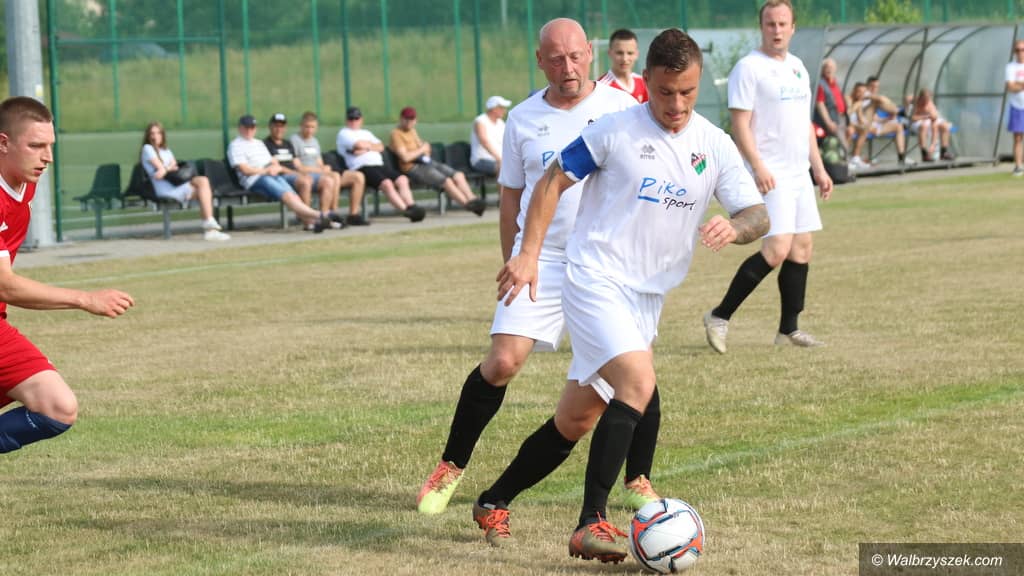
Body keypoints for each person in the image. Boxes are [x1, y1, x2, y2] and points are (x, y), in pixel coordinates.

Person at [474, 28, 768, 562]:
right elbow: (551, 181)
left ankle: (494, 499)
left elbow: (757, 214)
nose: (675, 104)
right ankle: (591, 522)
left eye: (687, 92)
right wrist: (528, 253)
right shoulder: (614, 130)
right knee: (638, 382)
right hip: (595, 279)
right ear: (646, 81)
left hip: (646, 298)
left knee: (576, 419)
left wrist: (736, 227)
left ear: (699, 83)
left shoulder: (713, 144)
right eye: (664, 92)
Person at [415, 18, 657, 520]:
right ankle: (450, 466)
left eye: (575, 56)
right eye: (557, 59)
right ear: (540, 61)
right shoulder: (523, 118)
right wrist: (516, 257)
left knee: (628, 373)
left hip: (604, 264)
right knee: (503, 362)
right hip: (540, 258)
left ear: (589, 54)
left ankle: (638, 479)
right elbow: (511, 198)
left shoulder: (623, 109)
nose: (568, 68)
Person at [0, 96, 135, 454]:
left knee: (56, 408)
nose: (47, 157)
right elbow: (4, 285)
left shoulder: (26, 180)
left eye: (50, 146)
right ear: (3, 143)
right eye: (35, 146)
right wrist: (85, 299)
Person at [703, 0, 833, 355]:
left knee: (801, 248)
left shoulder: (798, 67)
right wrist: (758, 165)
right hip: (770, 174)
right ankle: (718, 316)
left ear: (793, 28)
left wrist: (819, 168)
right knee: (776, 249)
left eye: (782, 23)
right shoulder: (748, 68)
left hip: (798, 174)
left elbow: (804, 124)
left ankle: (788, 330)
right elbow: (740, 124)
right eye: (770, 24)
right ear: (761, 27)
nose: (777, 30)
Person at [227, 114, 342, 233]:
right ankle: (320, 216)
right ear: (240, 128)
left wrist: (275, 168)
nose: (249, 130)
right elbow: (245, 170)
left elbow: (272, 161)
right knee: (289, 195)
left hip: (272, 175)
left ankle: (319, 220)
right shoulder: (236, 145)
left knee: (294, 196)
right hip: (256, 179)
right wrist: (266, 171)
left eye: (252, 127)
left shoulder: (258, 143)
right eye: (246, 127)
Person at [140, 122, 230, 241]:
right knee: (204, 191)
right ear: (148, 135)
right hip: (165, 189)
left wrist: (166, 169)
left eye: (158, 133)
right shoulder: (147, 149)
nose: (155, 136)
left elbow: (172, 167)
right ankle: (210, 229)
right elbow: (161, 169)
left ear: (162, 135)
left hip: (176, 184)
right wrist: (167, 168)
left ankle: (209, 226)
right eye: (152, 133)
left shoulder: (166, 150)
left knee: (203, 182)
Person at [389, 107, 485, 216]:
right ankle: (467, 204)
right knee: (446, 181)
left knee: (458, 175)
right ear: (401, 119)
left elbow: (425, 148)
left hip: (426, 162)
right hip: (413, 167)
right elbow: (405, 157)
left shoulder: (412, 131)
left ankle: (472, 199)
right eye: (406, 119)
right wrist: (421, 150)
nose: (409, 122)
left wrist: (424, 150)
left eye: (412, 119)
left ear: (416, 120)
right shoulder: (396, 134)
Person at [336, 107, 426, 222]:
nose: (354, 121)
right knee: (387, 184)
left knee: (402, 179)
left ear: (361, 119)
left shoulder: (366, 133)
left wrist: (366, 148)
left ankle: (411, 205)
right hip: (362, 167)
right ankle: (406, 211)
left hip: (379, 165)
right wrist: (369, 146)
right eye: (351, 119)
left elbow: (381, 146)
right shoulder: (344, 133)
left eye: (356, 118)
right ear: (346, 120)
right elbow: (358, 145)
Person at [262, 113, 342, 231]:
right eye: (276, 126)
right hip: (281, 177)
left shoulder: (287, 144)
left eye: (281, 126)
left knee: (328, 181)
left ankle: (324, 218)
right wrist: (296, 173)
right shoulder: (265, 144)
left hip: (295, 175)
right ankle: (308, 221)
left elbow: (296, 162)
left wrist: (321, 169)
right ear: (270, 127)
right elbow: (277, 167)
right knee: (305, 181)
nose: (279, 129)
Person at [290, 111, 370, 226]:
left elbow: (319, 162)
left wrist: (324, 167)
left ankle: (331, 214)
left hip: (319, 174)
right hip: (307, 175)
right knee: (333, 177)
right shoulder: (294, 140)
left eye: (312, 127)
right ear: (301, 126)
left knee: (343, 176)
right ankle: (332, 213)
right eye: (307, 127)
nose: (310, 130)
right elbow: (298, 167)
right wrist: (320, 170)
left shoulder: (314, 141)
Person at [598, 28, 649, 104]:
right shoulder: (602, 87)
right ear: (609, 53)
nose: (625, 59)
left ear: (637, 54)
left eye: (630, 53)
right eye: (619, 53)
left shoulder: (644, 82)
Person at [908, 89, 954, 162]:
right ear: (920, 97)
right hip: (917, 123)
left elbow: (934, 122)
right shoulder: (915, 103)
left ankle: (943, 153)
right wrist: (925, 117)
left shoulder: (930, 104)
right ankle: (924, 154)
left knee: (945, 126)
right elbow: (912, 118)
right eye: (924, 99)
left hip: (930, 122)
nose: (926, 101)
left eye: (928, 99)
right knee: (924, 126)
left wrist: (933, 144)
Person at [813, 58, 848, 151]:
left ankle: (849, 157)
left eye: (831, 67)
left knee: (845, 139)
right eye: (826, 67)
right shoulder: (821, 84)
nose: (829, 69)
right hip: (832, 119)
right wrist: (828, 122)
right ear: (822, 69)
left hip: (841, 117)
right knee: (842, 143)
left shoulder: (835, 83)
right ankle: (848, 158)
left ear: (835, 69)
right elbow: (820, 104)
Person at [470, 96, 509, 176]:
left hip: (500, 159)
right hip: (481, 160)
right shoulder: (480, 121)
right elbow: (484, 142)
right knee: (503, 167)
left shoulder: (501, 123)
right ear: (494, 109)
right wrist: (500, 159)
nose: (504, 111)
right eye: (502, 108)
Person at [1005, 39, 1024, 176]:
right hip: (1017, 106)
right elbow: (1010, 87)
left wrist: (1019, 84)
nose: (1020, 52)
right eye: (1018, 50)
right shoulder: (1010, 67)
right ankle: (1018, 166)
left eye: (1023, 49)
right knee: (1017, 137)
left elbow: (1016, 85)